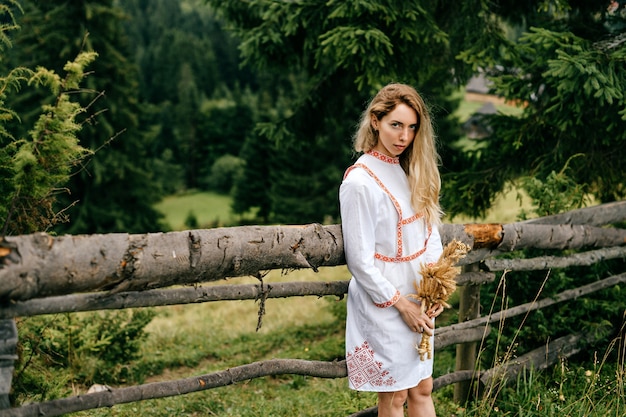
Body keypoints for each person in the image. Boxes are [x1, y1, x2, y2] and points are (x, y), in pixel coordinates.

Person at [340, 83, 444, 417]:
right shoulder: (359, 182)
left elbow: (429, 233)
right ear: (375, 121)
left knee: (423, 387)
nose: (404, 136)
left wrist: (433, 289)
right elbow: (359, 260)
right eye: (395, 125)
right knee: (395, 395)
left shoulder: (410, 169)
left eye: (411, 127)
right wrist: (403, 305)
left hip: (419, 293)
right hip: (387, 301)